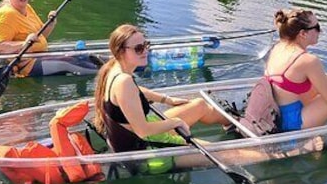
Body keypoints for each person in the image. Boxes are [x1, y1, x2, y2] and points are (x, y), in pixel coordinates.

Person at [94, 24, 283, 172]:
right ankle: (288, 153)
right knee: (227, 153)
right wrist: (175, 122)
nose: (145, 51)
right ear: (120, 51)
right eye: (138, 48)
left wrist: (166, 100)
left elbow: (137, 91)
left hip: (145, 133)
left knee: (200, 105)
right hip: (147, 151)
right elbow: (143, 131)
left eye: (146, 45)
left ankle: (238, 123)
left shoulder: (114, 67)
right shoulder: (123, 81)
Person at [0, 0, 99, 77]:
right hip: (27, 66)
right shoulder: (5, 15)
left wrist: (51, 23)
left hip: (41, 56)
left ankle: (110, 65)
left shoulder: (27, 8)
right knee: (68, 63)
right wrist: (24, 43)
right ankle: (104, 74)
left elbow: (41, 35)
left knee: (82, 57)